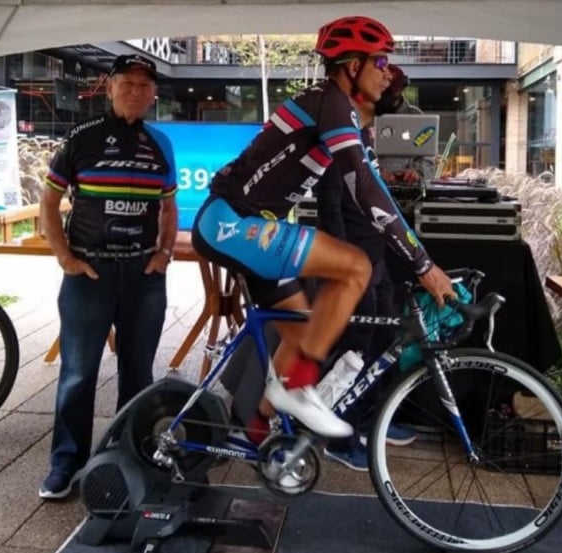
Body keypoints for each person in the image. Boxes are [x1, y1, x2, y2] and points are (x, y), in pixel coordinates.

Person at [190, 15, 455, 440]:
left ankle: (262, 437)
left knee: (303, 335)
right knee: (354, 266)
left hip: (250, 226)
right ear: (353, 66)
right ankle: (297, 389)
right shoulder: (328, 100)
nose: (388, 74)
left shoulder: (345, 116)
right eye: (381, 62)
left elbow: (373, 192)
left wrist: (421, 255)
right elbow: (362, 188)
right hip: (231, 222)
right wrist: (424, 266)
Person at [37, 53, 178, 499]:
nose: (137, 91)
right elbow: (47, 202)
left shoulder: (161, 143)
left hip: (143, 275)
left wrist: (164, 253)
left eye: (145, 85)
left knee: (139, 372)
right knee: (78, 373)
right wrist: (64, 258)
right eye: (128, 83)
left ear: (154, 93)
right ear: (110, 86)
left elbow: (169, 207)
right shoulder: (81, 138)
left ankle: (130, 455)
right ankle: (66, 463)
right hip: (89, 275)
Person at [312, 97, 415, 471]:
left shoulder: (365, 135)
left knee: (386, 344)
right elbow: (329, 203)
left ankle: (374, 419)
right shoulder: (338, 135)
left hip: (377, 256)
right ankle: (339, 437)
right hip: (353, 261)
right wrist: (343, 264)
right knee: (355, 351)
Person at [374, 64, 437, 185]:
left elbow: (429, 161)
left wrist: (417, 173)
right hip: (374, 189)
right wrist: (376, 173)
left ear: (401, 89)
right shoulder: (366, 115)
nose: (386, 96)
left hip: (409, 192)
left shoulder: (416, 116)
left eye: (391, 91)